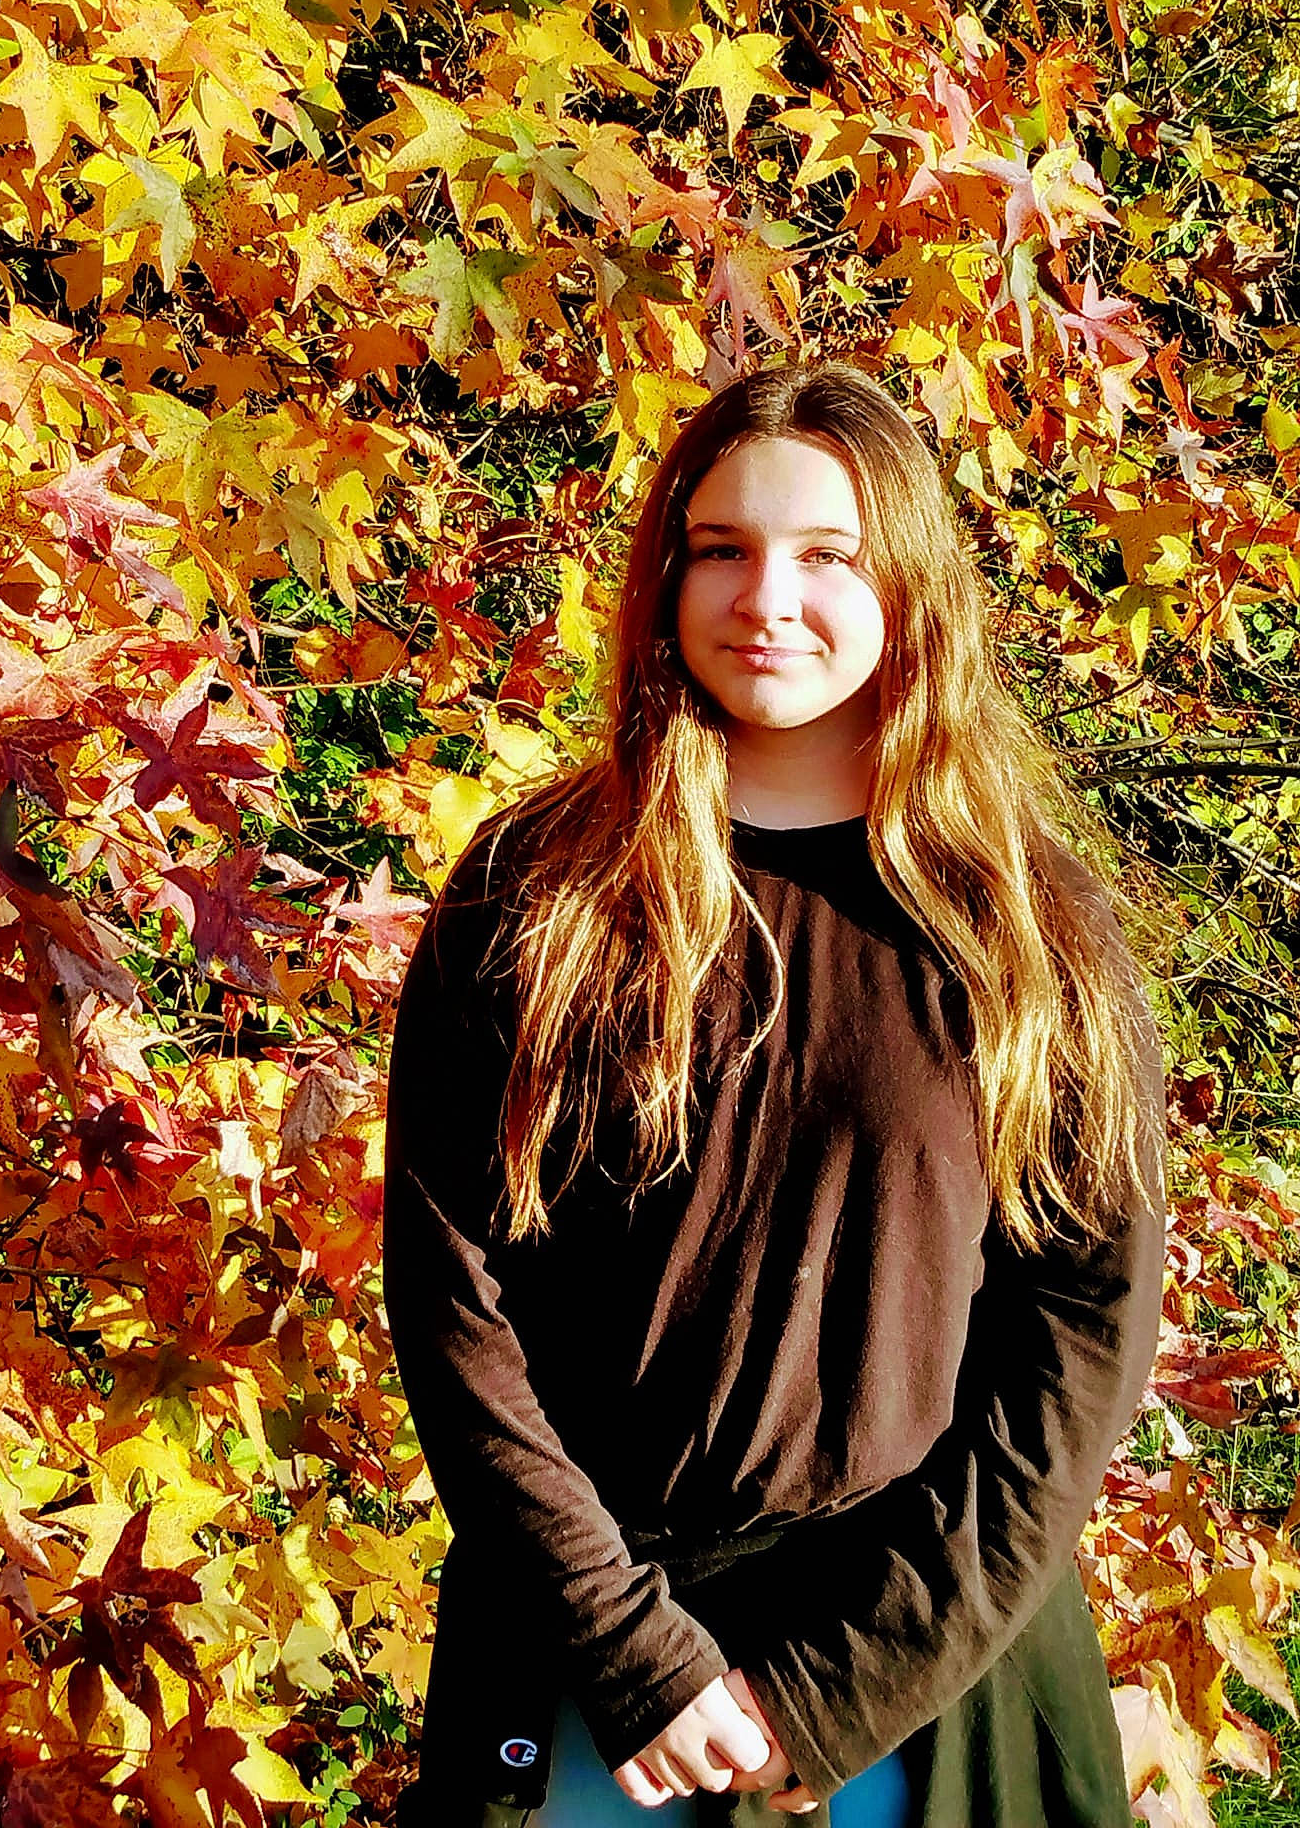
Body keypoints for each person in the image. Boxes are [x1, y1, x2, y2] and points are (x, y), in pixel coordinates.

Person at [382, 361, 1167, 1828]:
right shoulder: (533, 895)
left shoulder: (1020, 925)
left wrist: (836, 1685)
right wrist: (626, 1650)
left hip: (920, 1674)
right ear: (666, 576)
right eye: (723, 548)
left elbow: (1082, 1338)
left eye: (827, 555)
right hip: (591, 1678)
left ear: (910, 587)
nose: (766, 598)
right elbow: (453, 1305)